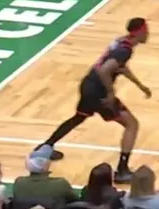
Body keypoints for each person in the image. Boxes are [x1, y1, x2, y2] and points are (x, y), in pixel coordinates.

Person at [35, 17, 152, 182]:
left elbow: (120, 67)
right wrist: (110, 93)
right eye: (146, 30)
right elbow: (105, 70)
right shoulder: (124, 51)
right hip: (99, 92)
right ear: (139, 32)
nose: (148, 34)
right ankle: (122, 170)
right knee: (132, 124)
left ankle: (45, 147)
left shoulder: (120, 42)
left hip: (88, 85)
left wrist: (139, 85)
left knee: (79, 117)